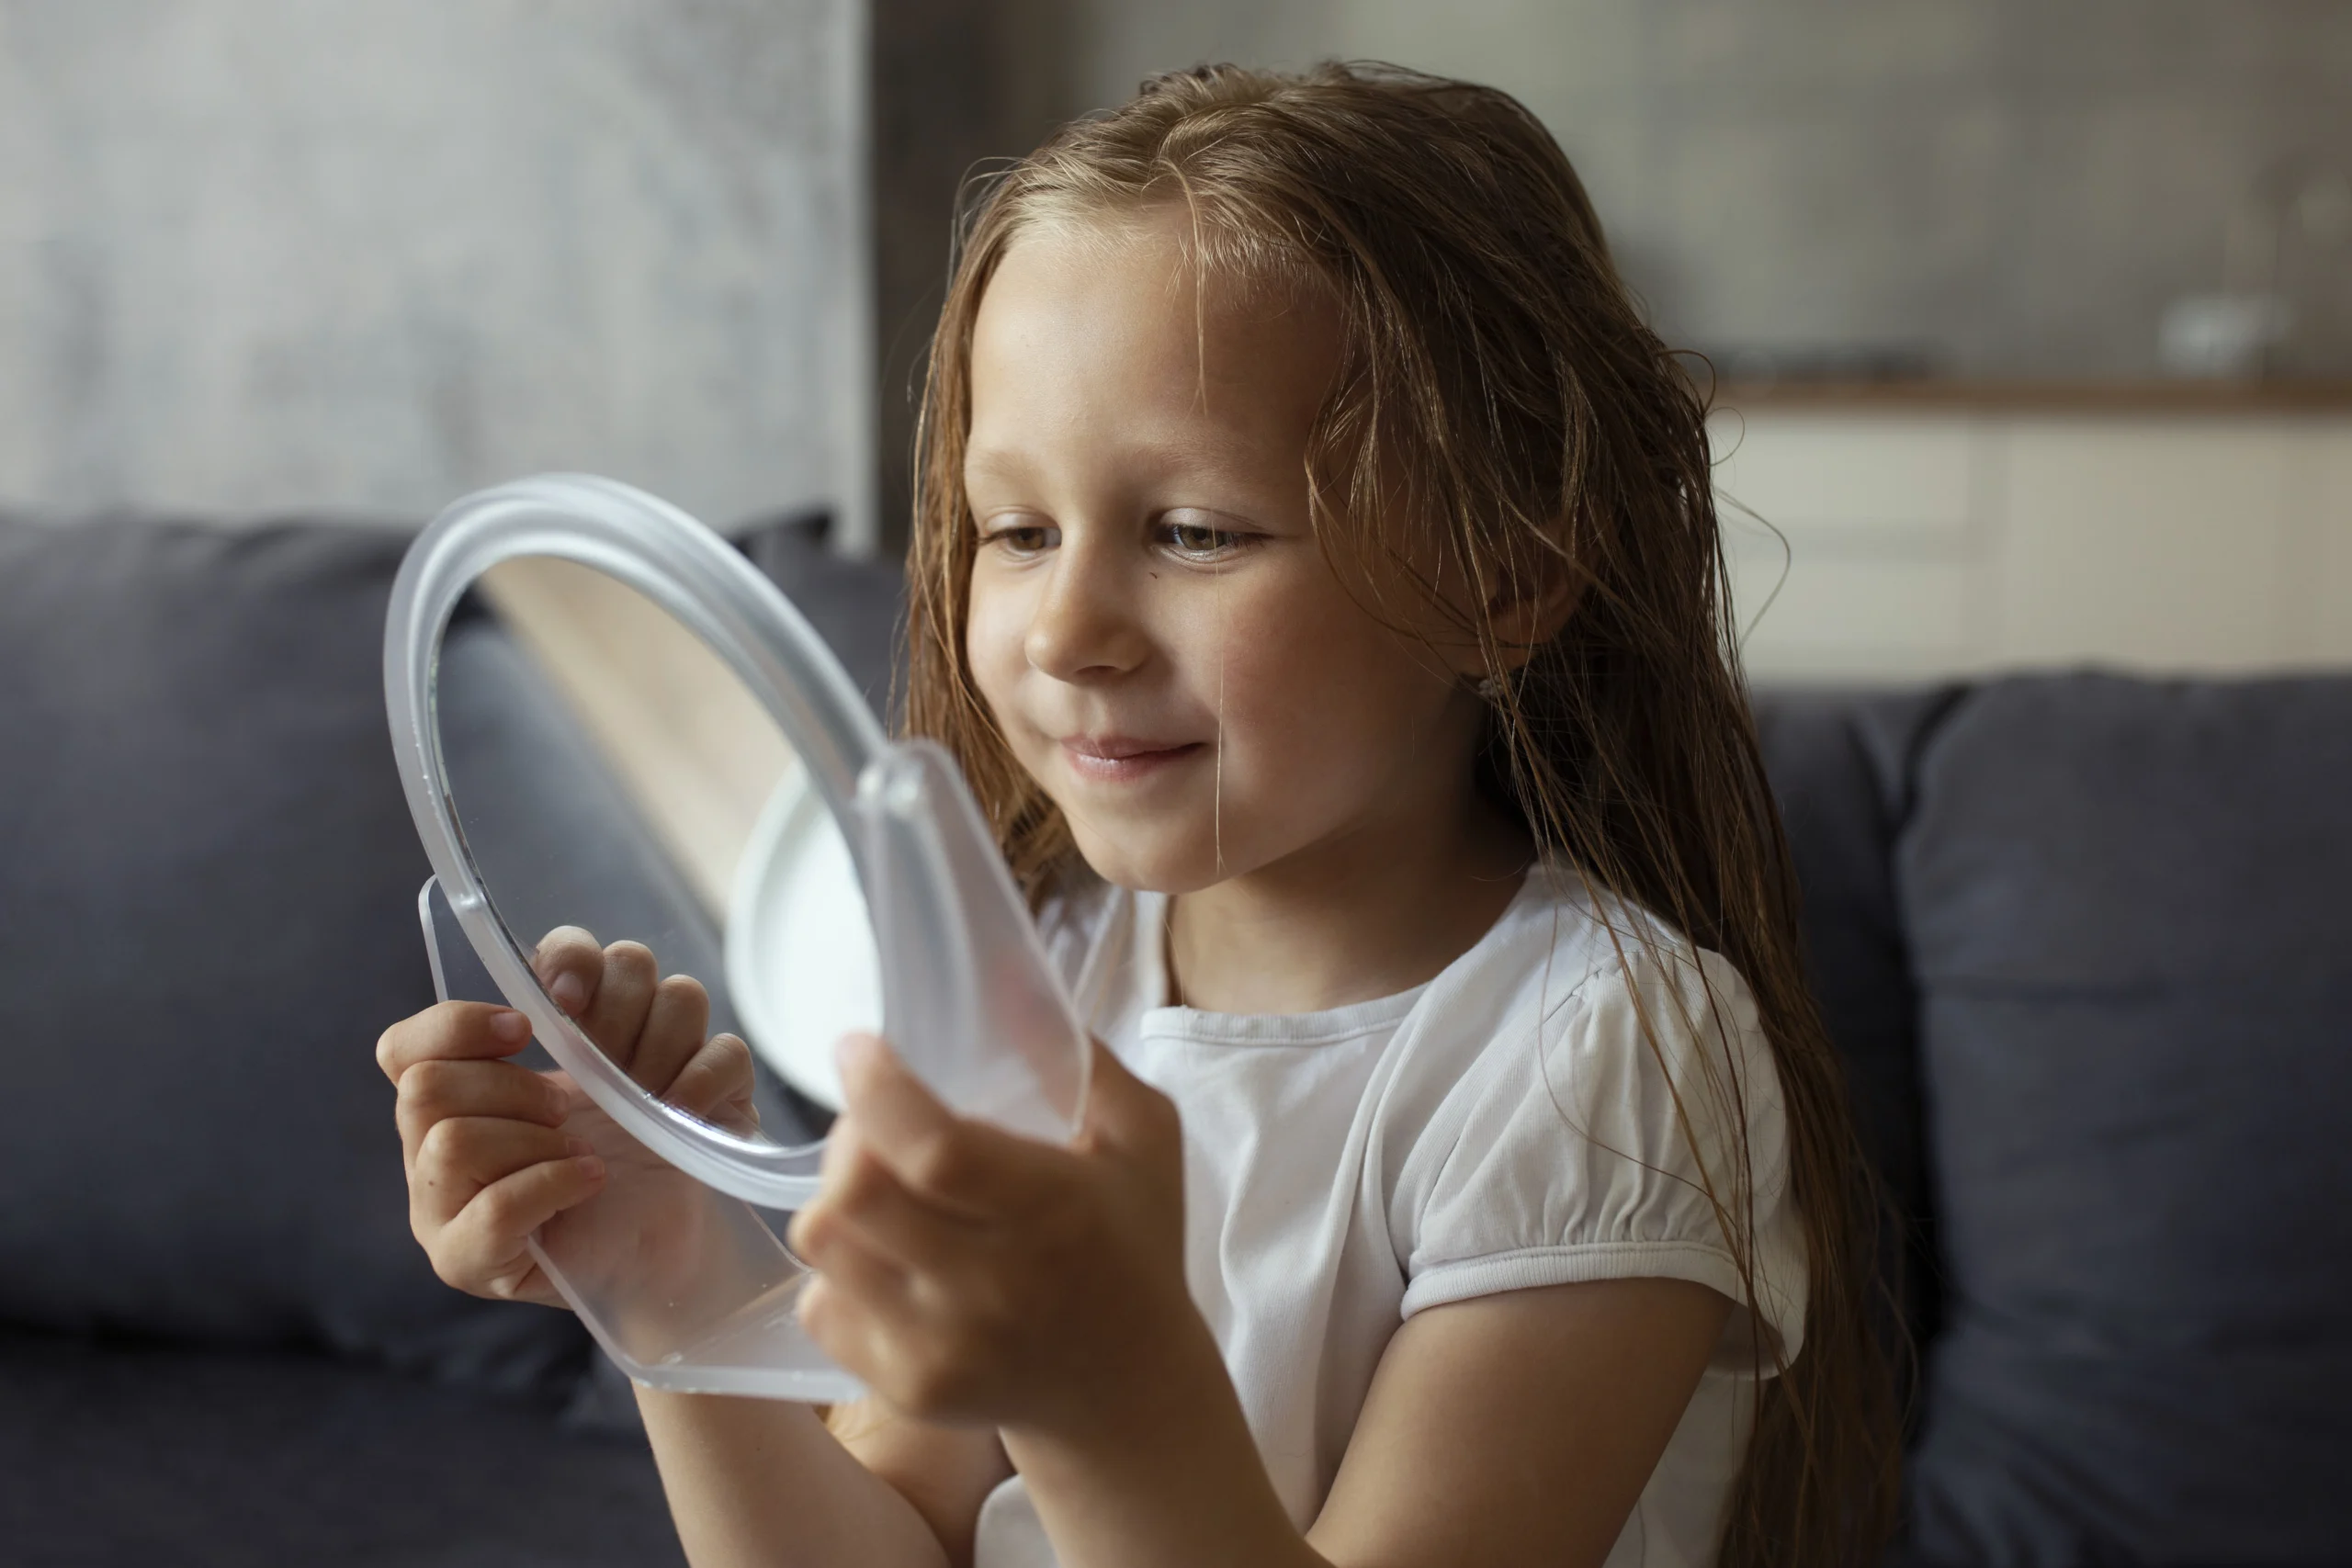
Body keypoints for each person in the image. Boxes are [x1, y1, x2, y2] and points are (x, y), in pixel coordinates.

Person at [375, 62, 1896, 1568]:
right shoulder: (1038, 968)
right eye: (1017, 530)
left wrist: (1107, 1393)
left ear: (1499, 578)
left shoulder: (1599, 1050)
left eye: (1192, 531)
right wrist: (671, 1273)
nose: (1066, 630)